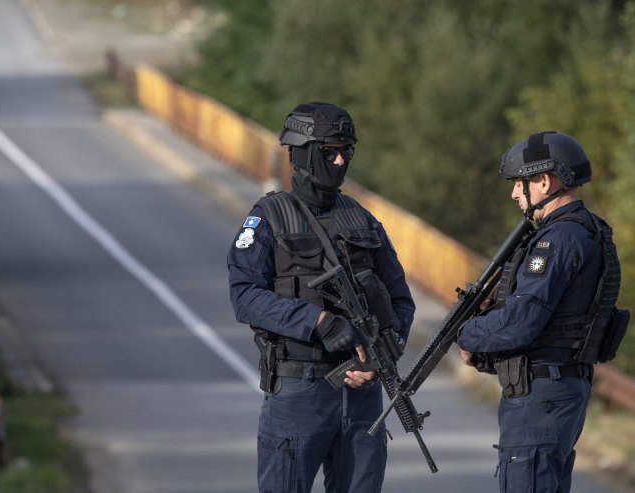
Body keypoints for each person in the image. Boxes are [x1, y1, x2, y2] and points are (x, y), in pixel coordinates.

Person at [227, 101, 415, 493]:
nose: (341, 160)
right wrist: (318, 322)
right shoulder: (268, 218)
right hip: (300, 392)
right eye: (330, 151)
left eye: (347, 151)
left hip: (362, 394)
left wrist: (382, 356)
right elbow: (245, 296)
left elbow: (401, 301)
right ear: (303, 152)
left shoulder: (362, 218)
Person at [457, 131, 626, 493]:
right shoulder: (588, 230)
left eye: (519, 184)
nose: (514, 194)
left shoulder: (557, 240)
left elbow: (521, 322)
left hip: (541, 397)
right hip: (560, 389)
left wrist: (467, 335)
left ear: (544, 181)